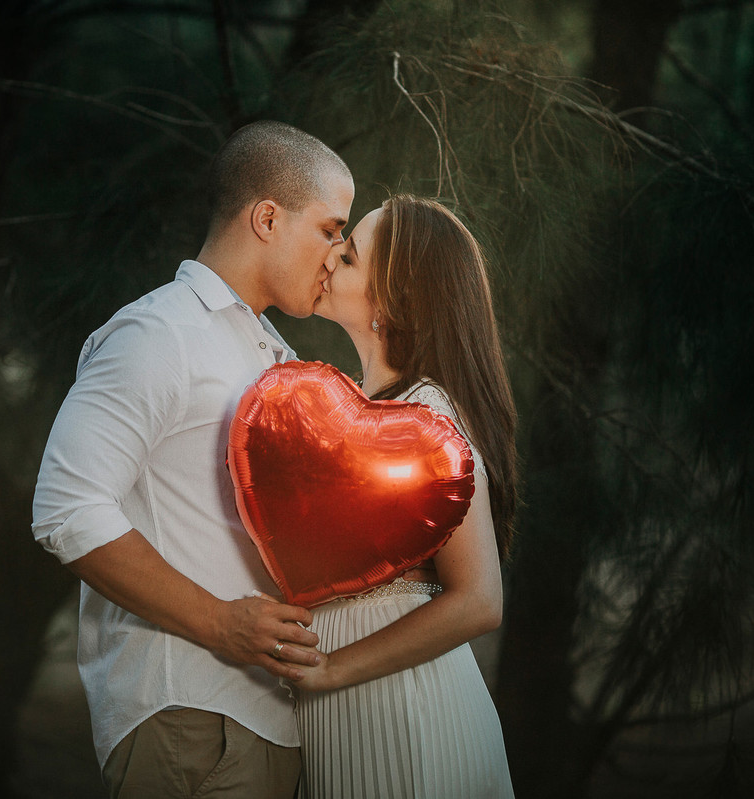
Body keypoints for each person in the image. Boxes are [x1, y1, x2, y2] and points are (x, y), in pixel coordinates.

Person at [31, 120, 354, 798]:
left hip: (276, 723)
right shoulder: (159, 332)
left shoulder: (279, 357)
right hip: (185, 715)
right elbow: (66, 507)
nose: (338, 251)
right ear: (268, 217)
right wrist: (220, 622)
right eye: (330, 228)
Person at [290, 194, 517, 798]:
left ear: (389, 300)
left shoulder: (426, 416)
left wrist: (333, 668)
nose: (332, 254)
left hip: (402, 717)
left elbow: (479, 600)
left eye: (352, 253)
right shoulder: (369, 410)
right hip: (352, 711)